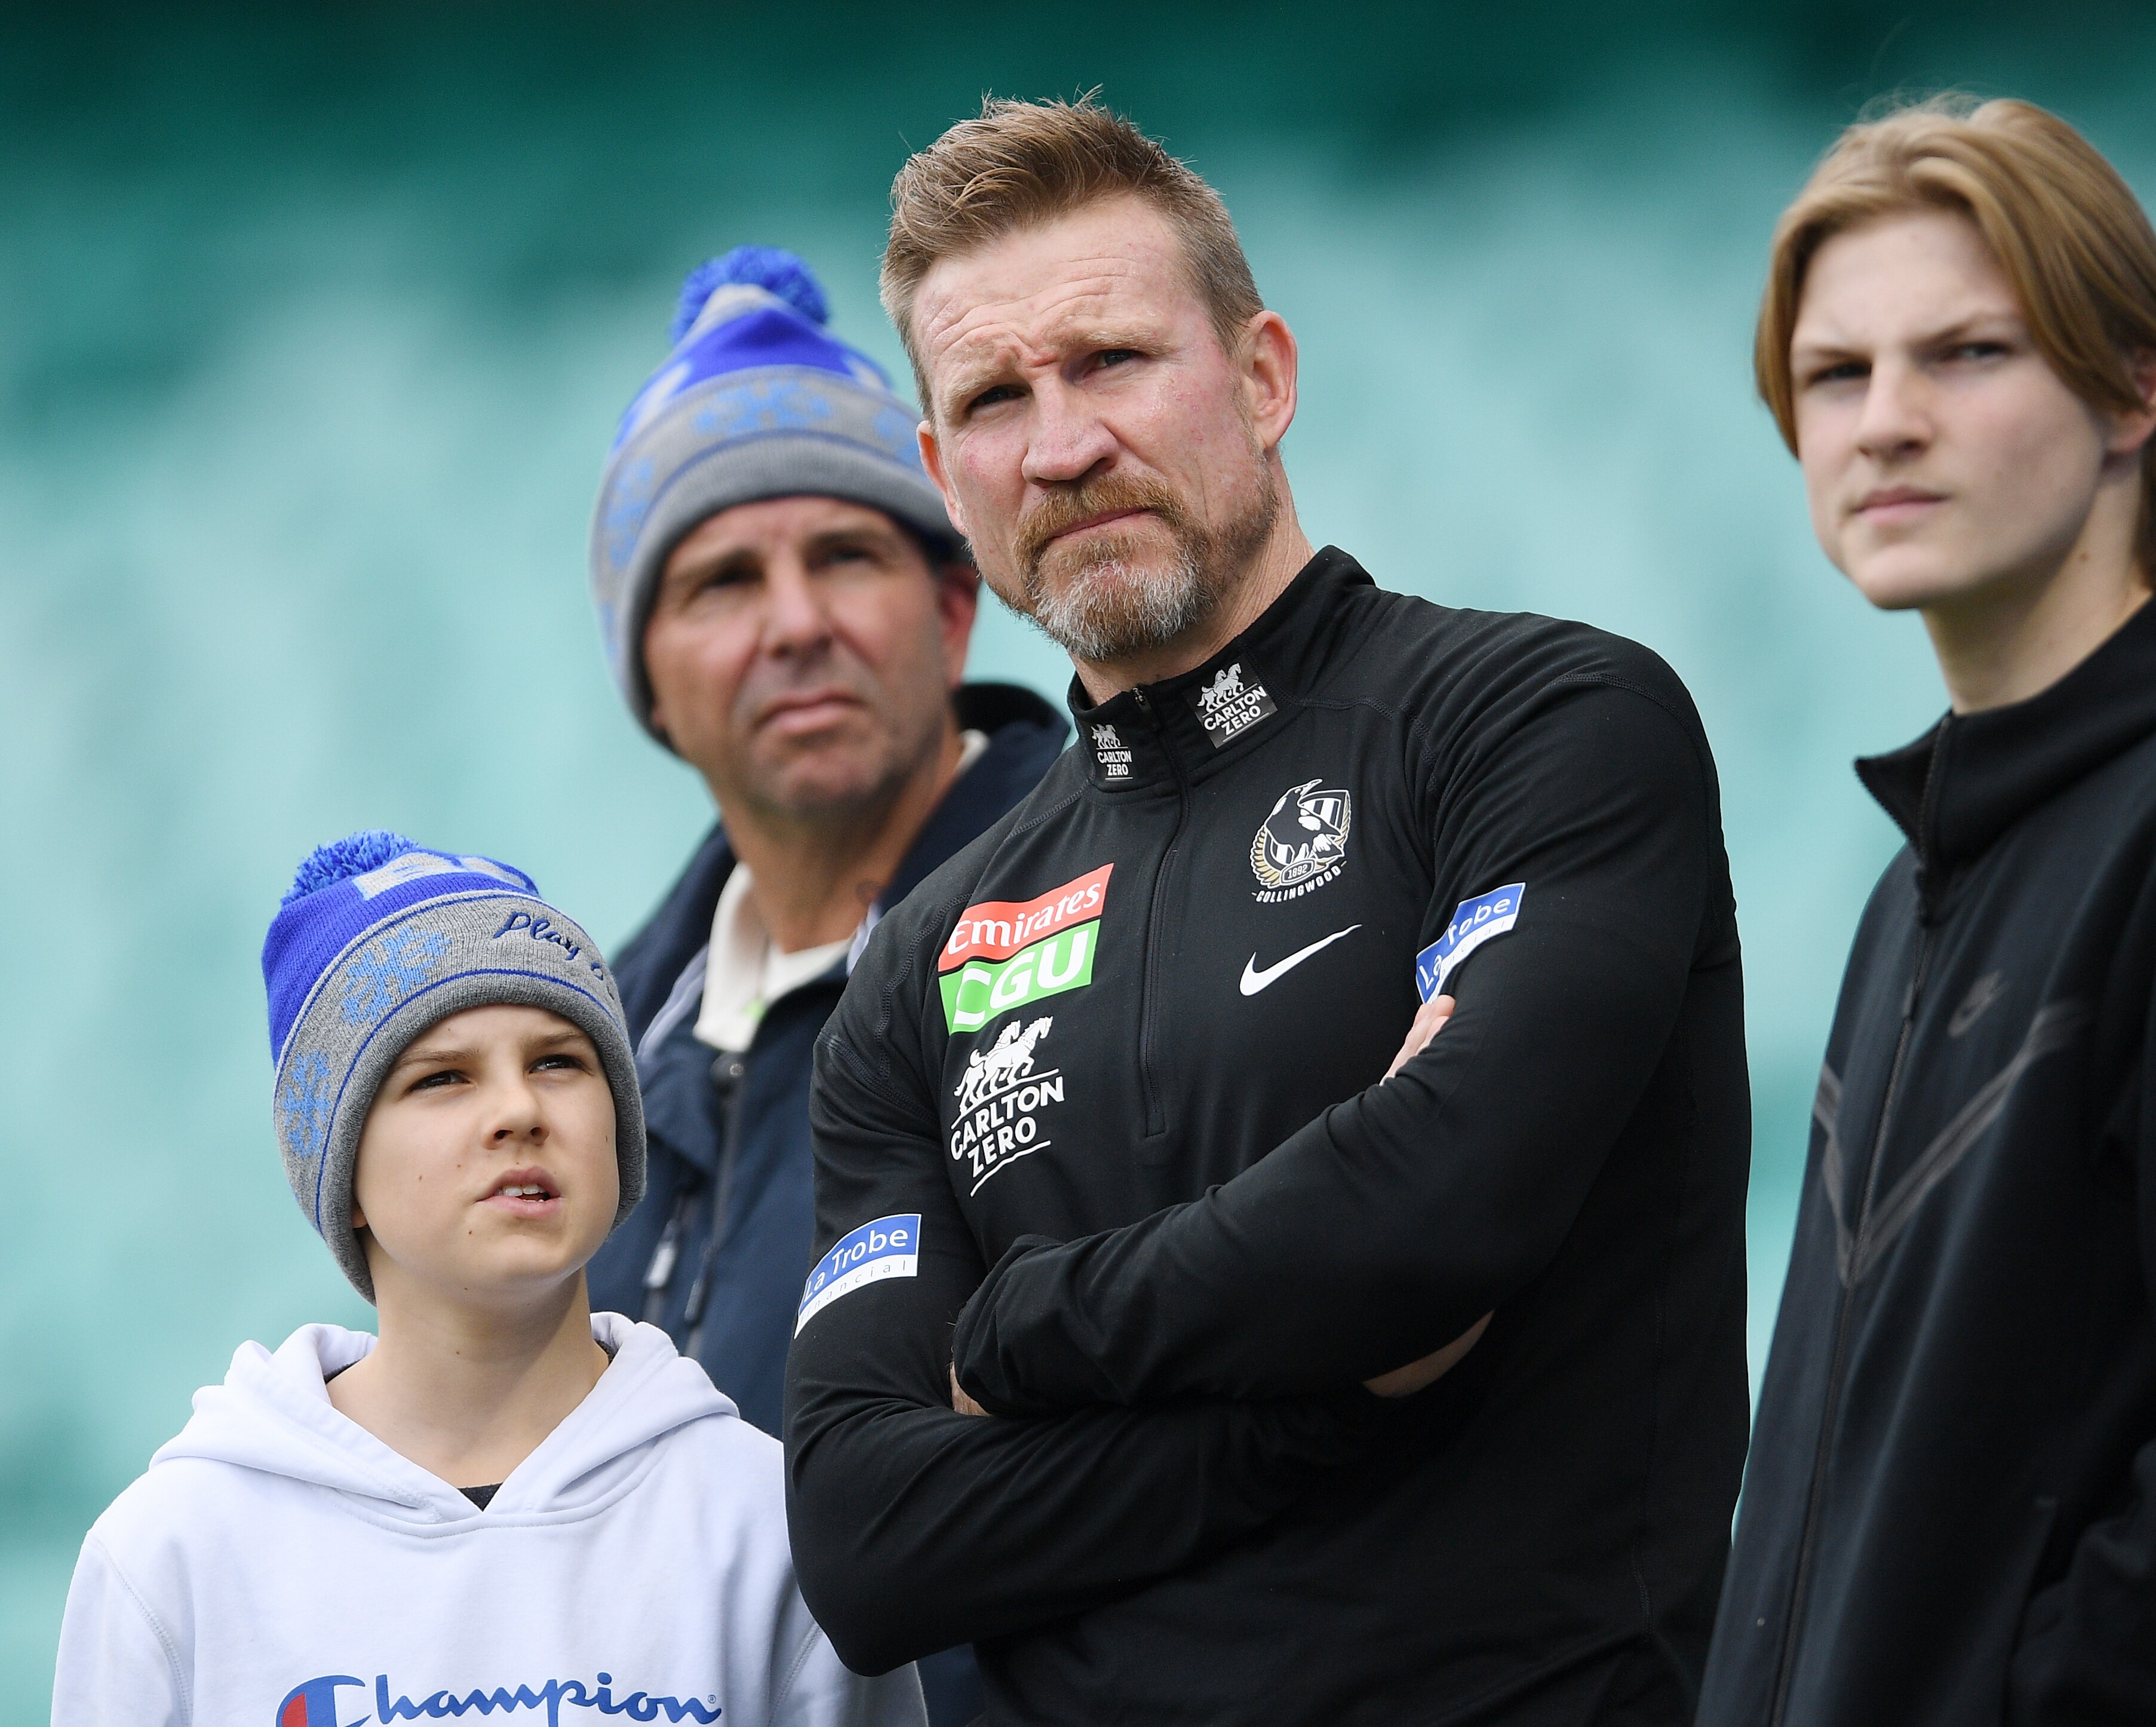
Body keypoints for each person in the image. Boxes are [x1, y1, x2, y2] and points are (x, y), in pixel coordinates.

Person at [782, 96, 1752, 1726]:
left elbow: (1437, 1211)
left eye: (1111, 361)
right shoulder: (924, 957)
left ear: (1262, 376)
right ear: (949, 476)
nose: (1065, 443)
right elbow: (870, 1544)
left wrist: (1017, 1329)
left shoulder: (1538, 720)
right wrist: (1330, 1403)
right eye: (997, 400)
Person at [1699, 97, 2156, 1727]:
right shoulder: (1917, 881)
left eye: (1966, 355)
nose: (1884, 422)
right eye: (1836, 374)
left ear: (2133, 386)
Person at [53, 833, 920, 1727]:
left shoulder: (766, 1523)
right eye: (442, 1078)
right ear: (340, 1173)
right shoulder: (175, 1554)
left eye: (558, 1061)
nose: (518, 1111)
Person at [581, 247, 1058, 1727]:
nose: (794, 623)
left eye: (846, 557)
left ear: (955, 606)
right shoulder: (584, 1060)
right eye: (724, 580)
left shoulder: (1122, 916)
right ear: (652, 683)